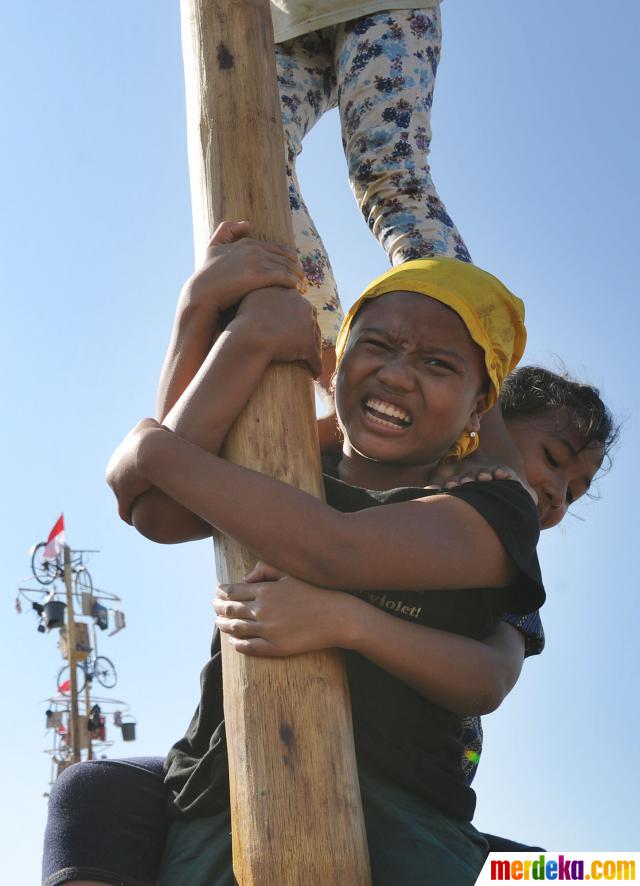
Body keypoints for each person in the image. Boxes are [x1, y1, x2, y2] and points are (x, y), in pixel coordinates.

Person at [99, 252, 549, 886]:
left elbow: (331, 550)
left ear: (480, 408)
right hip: (228, 791)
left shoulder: (495, 507)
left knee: (596, 873)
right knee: (88, 791)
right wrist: (214, 325)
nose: (397, 375)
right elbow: (163, 511)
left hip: (408, 815)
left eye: (438, 364)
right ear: (338, 357)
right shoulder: (286, 464)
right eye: (378, 345)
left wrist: (148, 447)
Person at [265, 1, 469, 396]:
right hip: (282, 21)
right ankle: (330, 372)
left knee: (389, 177)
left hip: (381, 6)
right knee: (254, 156)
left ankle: (462, 378)